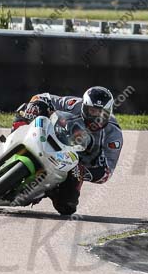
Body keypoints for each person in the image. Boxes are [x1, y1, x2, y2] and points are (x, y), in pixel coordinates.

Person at [11, 86, 123, 216]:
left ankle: (48, 190)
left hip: (72, 163)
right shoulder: (74, 104)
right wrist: (35, 105)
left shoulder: (114, 135)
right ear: (84, 107)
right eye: (92, 111)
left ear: (109, 112)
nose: (97, 117)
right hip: (50, 138)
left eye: (101, 113)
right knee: (27, 111)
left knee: (67, 206)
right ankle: (7, 142)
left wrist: (82, 172)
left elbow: (107, 172)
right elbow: (42, 97)